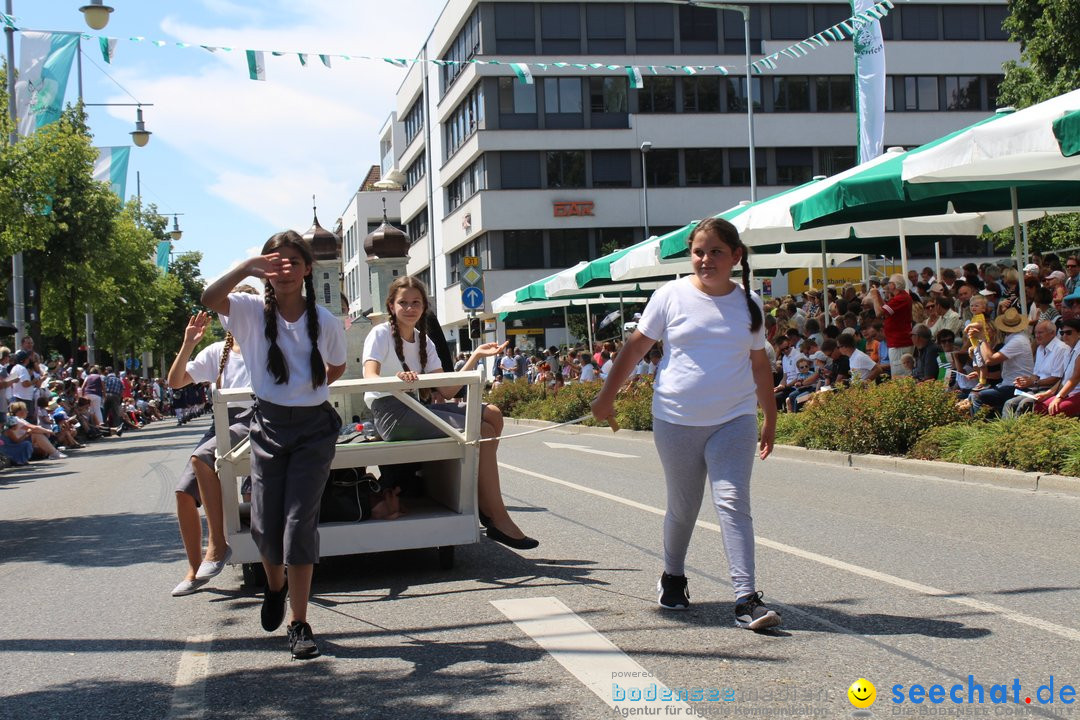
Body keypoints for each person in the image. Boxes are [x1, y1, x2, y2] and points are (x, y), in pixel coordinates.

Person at [590, 217, 781, 631]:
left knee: (732, 502)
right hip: (677, 418)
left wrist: (769, 417)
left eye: (715, 252)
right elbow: (636, 347)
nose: (705, 259)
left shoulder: (750, 303)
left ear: (735, 257)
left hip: (734, 417)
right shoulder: (669, 295)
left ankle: (746, 598)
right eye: (699, 251)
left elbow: (759, 363)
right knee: (684, 505)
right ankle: (673, 576)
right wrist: (606, 397)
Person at [201, 231, 347, 660]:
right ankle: (275, 584)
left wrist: (306, 394)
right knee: (265, 524)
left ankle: (300, 622)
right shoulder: (246, 311)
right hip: (266, 426)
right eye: (273, 261)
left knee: (300, 522)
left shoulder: (326, 320)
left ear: (306, 270)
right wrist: (246, 268)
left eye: (291, 261)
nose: (283, 268)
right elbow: (210, 297)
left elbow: (335, 366)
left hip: (314, 429)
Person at [362, 276, 538, 551]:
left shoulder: (424, 341)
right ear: (391, 306)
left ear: (424, 307)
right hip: (392, 414)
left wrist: (476, 356)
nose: (410, 308)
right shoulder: (381, 333)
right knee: (482, 430)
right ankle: (495, 514)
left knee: (493, 414)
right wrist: (396, 379)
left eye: (416, 303)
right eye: (403, 303)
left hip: (416, 408)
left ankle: (486, 506)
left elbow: (447, 389)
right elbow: (368, 375)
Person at [166, 292, 258, 597]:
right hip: (222, 422)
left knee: (202, 457)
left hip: (254, 418)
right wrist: (188, 343)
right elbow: (175, 381)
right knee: (182, 492)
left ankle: (218, 545)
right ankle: (194, 571)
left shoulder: (267, 348)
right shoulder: (219, 352)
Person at [965, 307, 1035, 417]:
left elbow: (989, 360)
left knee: (975, 396)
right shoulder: (1012, 338)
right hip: (1007, 384)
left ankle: (981, 427)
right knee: (972, 395)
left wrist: (982, 338)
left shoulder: (1018, 340)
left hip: (1017, 387)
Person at [1002, 321, 1068, 418]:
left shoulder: (1061, 349)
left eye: (1040, 332)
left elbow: (1056, 379)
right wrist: (1026, 381)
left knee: (1024, 404)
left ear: (1052, 333)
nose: (1037, 336)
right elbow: (1036, 374)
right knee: (1009, 403)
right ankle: (1006, 431)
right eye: (1035, 333)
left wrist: (1033, 382)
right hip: (1037, 388)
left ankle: (1017, 431)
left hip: (1051, 389)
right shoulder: (1040, 348)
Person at [868, 273, 914, 377]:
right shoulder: (901, 298)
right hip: (898, 342)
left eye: (889, 283)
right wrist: (878, 296)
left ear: (893, 285)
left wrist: (875, 296)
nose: (888, 286)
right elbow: (885, 310)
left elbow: (879, 313)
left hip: (899, 343)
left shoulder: (900, 298)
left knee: (900, 376)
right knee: (900, 374)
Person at [1034, 317, 1080, 417]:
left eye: (1069, 333)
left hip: (1077, 392)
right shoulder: (1069, 349)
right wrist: (1048, 394)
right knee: (1039, 407)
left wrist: (1059, 396)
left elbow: (1075, 378)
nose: (1065, 336)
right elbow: (1064, 379)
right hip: (1070, 392)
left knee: (1056, 409)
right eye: (1062, 333)